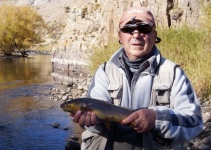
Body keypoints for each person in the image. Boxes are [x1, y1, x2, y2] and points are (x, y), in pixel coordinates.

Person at [70, 6, 203, 150]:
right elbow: (97, 128)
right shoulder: (104, 72)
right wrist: (93, 123)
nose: (136, 34)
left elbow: (195, 123)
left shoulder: (174, 73)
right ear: (120, 36)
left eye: (144, 28)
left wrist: (157, 118)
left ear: (154, 34)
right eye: (128, 29)